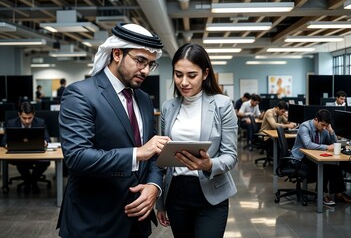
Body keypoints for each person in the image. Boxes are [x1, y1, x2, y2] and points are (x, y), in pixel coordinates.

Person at [56, 23, 171, 238]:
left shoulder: (144, 100)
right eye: (140, 61)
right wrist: (136, 153)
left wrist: (154, 186)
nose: (145, 70)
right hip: (94, 222)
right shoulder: (80, 94)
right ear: (117, 54)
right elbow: (77, 157)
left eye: (150, 64)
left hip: (138, 221)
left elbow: (155, 151)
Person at [155, 43, 238, 238]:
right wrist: (160, 203)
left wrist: (209, 164)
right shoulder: (168, 107)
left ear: (205, 74)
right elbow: (162, 158)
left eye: (191, 75)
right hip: (176, 193)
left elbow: (231, 156)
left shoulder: (222, 105)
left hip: (211, 194)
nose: (184, 82)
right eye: (178, 74)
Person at [291, 109, 351, 205]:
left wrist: (331, 131)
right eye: (323, 125)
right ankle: (321, 195)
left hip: (313, 157)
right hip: (300, 158)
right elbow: (308, 145)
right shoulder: (305, 126)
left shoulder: (325, 129)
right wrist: (327, 147)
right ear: (316, 119)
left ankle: (338, 194)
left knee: (335, 165)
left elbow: (334, 143)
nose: (324, 128)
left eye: (326, 126)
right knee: (325, 166)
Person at [1, 101, 51, 194]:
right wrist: (9, 145)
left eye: (30, 118)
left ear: (34, 114)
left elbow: (47, 139)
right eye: (24, 118)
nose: (27, 121)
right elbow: (4, 141)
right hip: (19, 154)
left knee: (45, 162)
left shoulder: (40, 122)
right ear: (19, 115)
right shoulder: (11, 123)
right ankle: (32, 182)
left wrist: (44, 142)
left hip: (37, 154)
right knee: (21, 162)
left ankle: (30, 181)